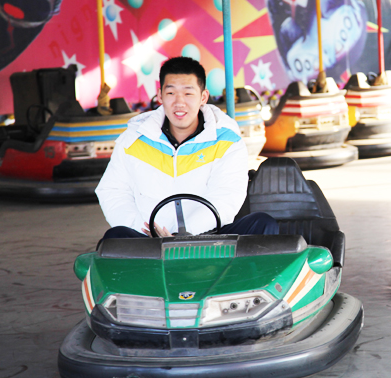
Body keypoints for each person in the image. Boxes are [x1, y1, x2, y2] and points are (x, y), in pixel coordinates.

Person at [96, 56, 278, 240]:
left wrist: (184, 233)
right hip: (151, 242)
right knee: (115, 237)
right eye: (171, 93)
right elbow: (113, 191)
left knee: (263, 224)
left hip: (210, 238)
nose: (179, 103)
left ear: (203, 97)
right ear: (160, 96)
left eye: (188, 93)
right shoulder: (133, 139)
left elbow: (226, 195)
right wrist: (144, 228)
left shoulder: (227, 140)